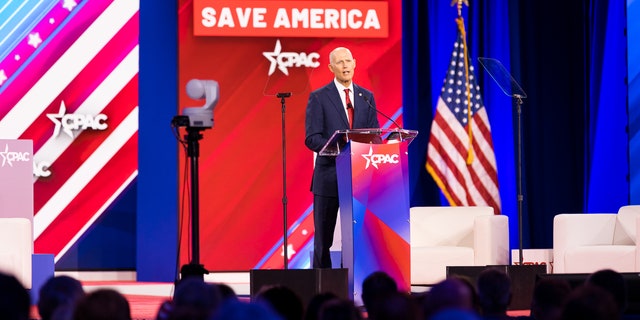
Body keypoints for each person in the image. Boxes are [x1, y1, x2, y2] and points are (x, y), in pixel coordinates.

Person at [305, 46, 380, 268]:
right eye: (340, 62)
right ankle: (320, 287)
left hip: (359, 179)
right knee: (323, 241)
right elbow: (312, 138)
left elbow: (374, 134)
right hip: (329, 177)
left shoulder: (366, 97)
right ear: (331, 67)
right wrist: (340, 150)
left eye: (348, 61)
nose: (345, 66)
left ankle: (354, 285)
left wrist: (377, 147)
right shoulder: (319, 97)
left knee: (357, 239)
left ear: (355, 63)